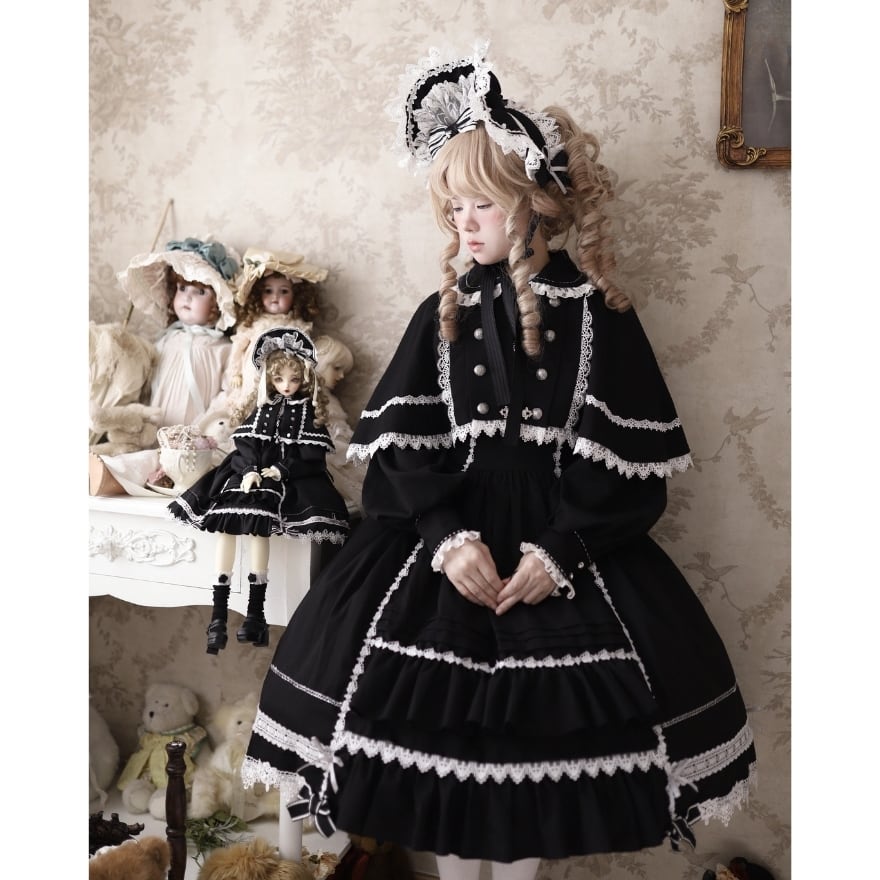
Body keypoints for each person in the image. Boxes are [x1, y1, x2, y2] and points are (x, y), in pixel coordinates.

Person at [241, 45, 755, 879]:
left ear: (535, 201)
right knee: (436, 774)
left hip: (567, 557)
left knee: (532, 780)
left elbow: (631, 470)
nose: (463, 224)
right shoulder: (440, 314)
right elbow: (398, 457)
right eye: (452, 208)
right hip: (440, 560)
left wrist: (561, 551)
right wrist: (446, 537)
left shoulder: (601, 317)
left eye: (480, 203)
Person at [168, 327, 350, 654]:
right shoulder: (263, 408)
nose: (286, 386)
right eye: (279, 379)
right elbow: (245, 444)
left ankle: (255, 613)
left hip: (284, 480)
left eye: (294, 380)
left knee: (257, 530)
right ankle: (218, 616)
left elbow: (312, 455)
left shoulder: (307, 411)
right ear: (269, 379)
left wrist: (283, 469)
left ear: (305, 379)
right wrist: (250, 469)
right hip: (248, 474)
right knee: (227, 526)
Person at [118, 236, 240, 428]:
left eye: (200, 292)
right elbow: (147, 380)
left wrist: (208, 424)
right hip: (156, 427)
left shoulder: (223, 349)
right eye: (182, 288)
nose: (187, 297)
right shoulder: (166, 340)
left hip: (197, 431)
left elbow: (229, 392)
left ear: (217, 303)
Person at [222, 247, 329, 427]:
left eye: (284, 291)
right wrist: (236, 373)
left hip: (286, 372)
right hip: (254, 368)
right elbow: (239, 348)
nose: (275, 297)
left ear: (296, 295)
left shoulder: (296, 325)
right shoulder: (254, 323)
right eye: (268, 291)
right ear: (258, 294)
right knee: (252, 395)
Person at [312, 334, 366, 515]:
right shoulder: (311, 397)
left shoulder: (330, 398)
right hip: (328, 454)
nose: (341, 376)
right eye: (336, 368)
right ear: (320, 363)